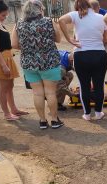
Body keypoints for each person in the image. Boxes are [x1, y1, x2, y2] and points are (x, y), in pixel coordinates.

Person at [11, 0, 64, 129]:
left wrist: (28, 48)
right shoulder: (48, 21)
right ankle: (54, 120)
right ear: (40, 9)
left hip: (29, 63)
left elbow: (14, 44)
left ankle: (42, 121)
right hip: (49, 61)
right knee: (50, 93)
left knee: (37, 93)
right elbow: (58, 39)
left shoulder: (19, 24)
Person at [59, 0, 107, 121]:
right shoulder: (101, 17)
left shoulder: (76, 15)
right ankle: (98, 113)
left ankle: (87, 114)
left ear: (77, 6)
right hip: (99, 54)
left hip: (81, 55)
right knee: (99, 85)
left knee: (84, 85)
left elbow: (61, 20)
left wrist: (69, 39)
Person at [0, 0, 28, 121]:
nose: (5, 17)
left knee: (10, 86)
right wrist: (4, 65)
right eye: (2, 15)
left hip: (8, 57)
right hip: (0, 60)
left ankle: (13, 109)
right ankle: (6, 113)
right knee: (3, 88)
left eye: (5, 15)